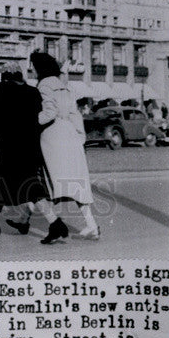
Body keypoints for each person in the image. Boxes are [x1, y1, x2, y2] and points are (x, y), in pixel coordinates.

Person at [0, 63, 68, 245]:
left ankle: (56, 224)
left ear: (6, 76)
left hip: (8, 148)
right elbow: (37, 117)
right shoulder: (33, 92)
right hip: (29, 148)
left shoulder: (3, 90)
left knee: (11, 185)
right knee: (11, 184)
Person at [30, 50, 100, 241]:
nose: (32, 71)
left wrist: (31, 120)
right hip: (70, 133)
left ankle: (29, 219)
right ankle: (91, 225)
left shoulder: (44, 85)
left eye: (33, 67)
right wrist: (80, 135)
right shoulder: (65, 86)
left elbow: (49, 112)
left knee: (46, 181)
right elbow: (75, 114)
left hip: (53, 136)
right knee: (76, 183)